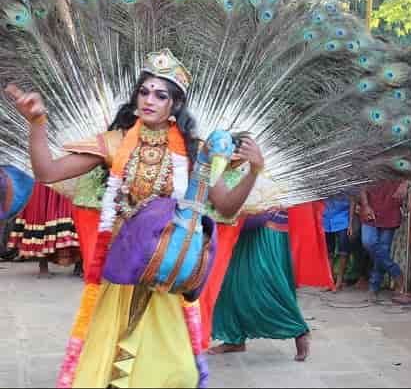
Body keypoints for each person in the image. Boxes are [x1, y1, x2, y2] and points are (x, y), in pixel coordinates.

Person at [4, 49, 264, 388]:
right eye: (144, 91)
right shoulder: (115, 143)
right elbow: (47, 172)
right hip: (124, 270)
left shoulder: (193, 150)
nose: (149, 100)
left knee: (176, 371)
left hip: (165, 273)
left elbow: (227, 207)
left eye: (160, 94)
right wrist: (37, 124)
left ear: (175, 104)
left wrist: (254, 170)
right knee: (109, 362)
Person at [209, 208, 311, 361]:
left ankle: (298, 329)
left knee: (267, 286)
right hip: (244, 224)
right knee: (230, 285)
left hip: (268, 226)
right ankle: (234, 339)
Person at [8, 182, 81, 277]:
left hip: (67, 176)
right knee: (42, 216)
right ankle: (43, 265)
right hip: (45, 178)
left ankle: (79, 264)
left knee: (73, 218)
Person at [359, 179, 411, 303]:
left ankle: (373, 288)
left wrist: (405, 183)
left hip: (390, 210)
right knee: (368, 242)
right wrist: (365, 205)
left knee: (383, 250)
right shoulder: (368, 162)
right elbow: (361, 185)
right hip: (370, 210)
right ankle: (396, 272)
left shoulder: (397, 162)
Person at [323, 193, 355, 291]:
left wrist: (350, 223)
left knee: (343, 251)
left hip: (343, 219)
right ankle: (330, 279)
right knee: (329, 252)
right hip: (326, 220)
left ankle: (340, 280)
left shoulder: (345, 184)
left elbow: (352, 201)